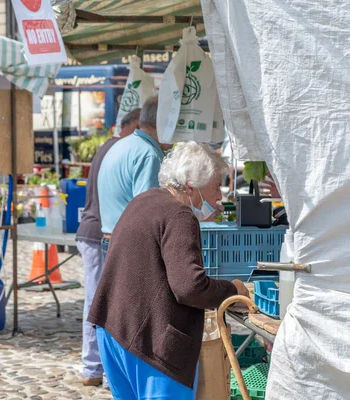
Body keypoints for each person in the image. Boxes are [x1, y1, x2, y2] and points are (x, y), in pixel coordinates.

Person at [88, 142, 249, 400]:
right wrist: (233, 290)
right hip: (150, 343)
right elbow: (190, 287)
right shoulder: (179, 215)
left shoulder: (145, 200)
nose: (220, 196)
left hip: (114, 329)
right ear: (190, 185)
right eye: (216, 186)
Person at [75, 108, 141, 387]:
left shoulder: (110, 147)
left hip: (96, 232)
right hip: (97, 233)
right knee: (97, 301)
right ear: (131, 126)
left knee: (99, 300)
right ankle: (92, 367)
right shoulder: (119, 148)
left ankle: (96, 367)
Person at [97, 96, 170, 260]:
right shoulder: (148, 153)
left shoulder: (125, 144)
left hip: (113, 238)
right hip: (129, 244)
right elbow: (147, 211)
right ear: (163, 123)